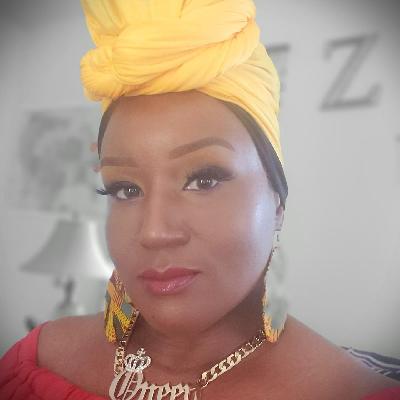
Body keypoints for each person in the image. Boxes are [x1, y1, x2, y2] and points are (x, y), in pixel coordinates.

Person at [1, 1, 399, 399]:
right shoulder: (35, 361)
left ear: (277, 204)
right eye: (125, 189)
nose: (154, 232)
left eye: (204, 180)